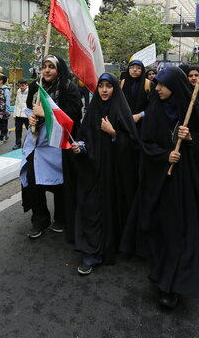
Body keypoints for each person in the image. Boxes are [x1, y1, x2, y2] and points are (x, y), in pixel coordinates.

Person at [120, 66, 199, 309]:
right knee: (163, 228)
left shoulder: (195, 111)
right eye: (157, 84)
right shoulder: (155, 110)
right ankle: (162, 268)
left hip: (187, 183)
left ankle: (172, 284)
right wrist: (165, 156)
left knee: (181, 230)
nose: (157, 88)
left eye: (162, 85)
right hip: (161, 180)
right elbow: (147, 144)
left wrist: (191, 139)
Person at [71, 73, 139, 275]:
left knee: (112, 211)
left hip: (115, 176)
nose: (104, 90)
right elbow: (84, 137)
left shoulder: (122, 111)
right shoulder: (92, 111)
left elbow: (133, 144)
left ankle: (112, 246)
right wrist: (80, 147)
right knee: (91, 208)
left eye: (109, 86)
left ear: (115, 89)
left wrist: (114, 133)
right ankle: (91, 252)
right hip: (93, 172)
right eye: (101, 86)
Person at [20, 55, 82, 239]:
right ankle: (39, 219)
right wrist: (31, 117)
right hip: (37, 143)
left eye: (51, 67)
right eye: (44, 66)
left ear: (59, 69)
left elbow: (74, 116)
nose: (46, 70)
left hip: (58, 144)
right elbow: (30, 110)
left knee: (59, 183)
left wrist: (46, 114)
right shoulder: (35, 86)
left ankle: (62, 217)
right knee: (32, 180)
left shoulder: (68, 88)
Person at [121, 59, 152, 125]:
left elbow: (154, 104)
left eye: (138, 68)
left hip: (143, 122)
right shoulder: (123, 83)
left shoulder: (147, 83)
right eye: (132, 67)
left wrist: (140, 115)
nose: (135, 70)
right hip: (125, 120)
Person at [0, 75, 11, 146]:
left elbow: (8, 101)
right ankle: (6, 131)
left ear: (1, 81)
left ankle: (1, 139)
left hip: (3, 111)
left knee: (3, 124)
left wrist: (7, 111)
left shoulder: (6, 90)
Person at [12, 78, 29, 149]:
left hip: (27, 115)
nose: (21, 87)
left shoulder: (30, 91)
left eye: (23, 85)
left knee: (30, 130)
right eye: (20, 86)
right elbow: (16, 102)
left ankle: (29, 143)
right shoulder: (19, 91)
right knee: (18, 130)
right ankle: (18, 143)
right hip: (19, 114)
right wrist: (15, 114)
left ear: (26, 85)